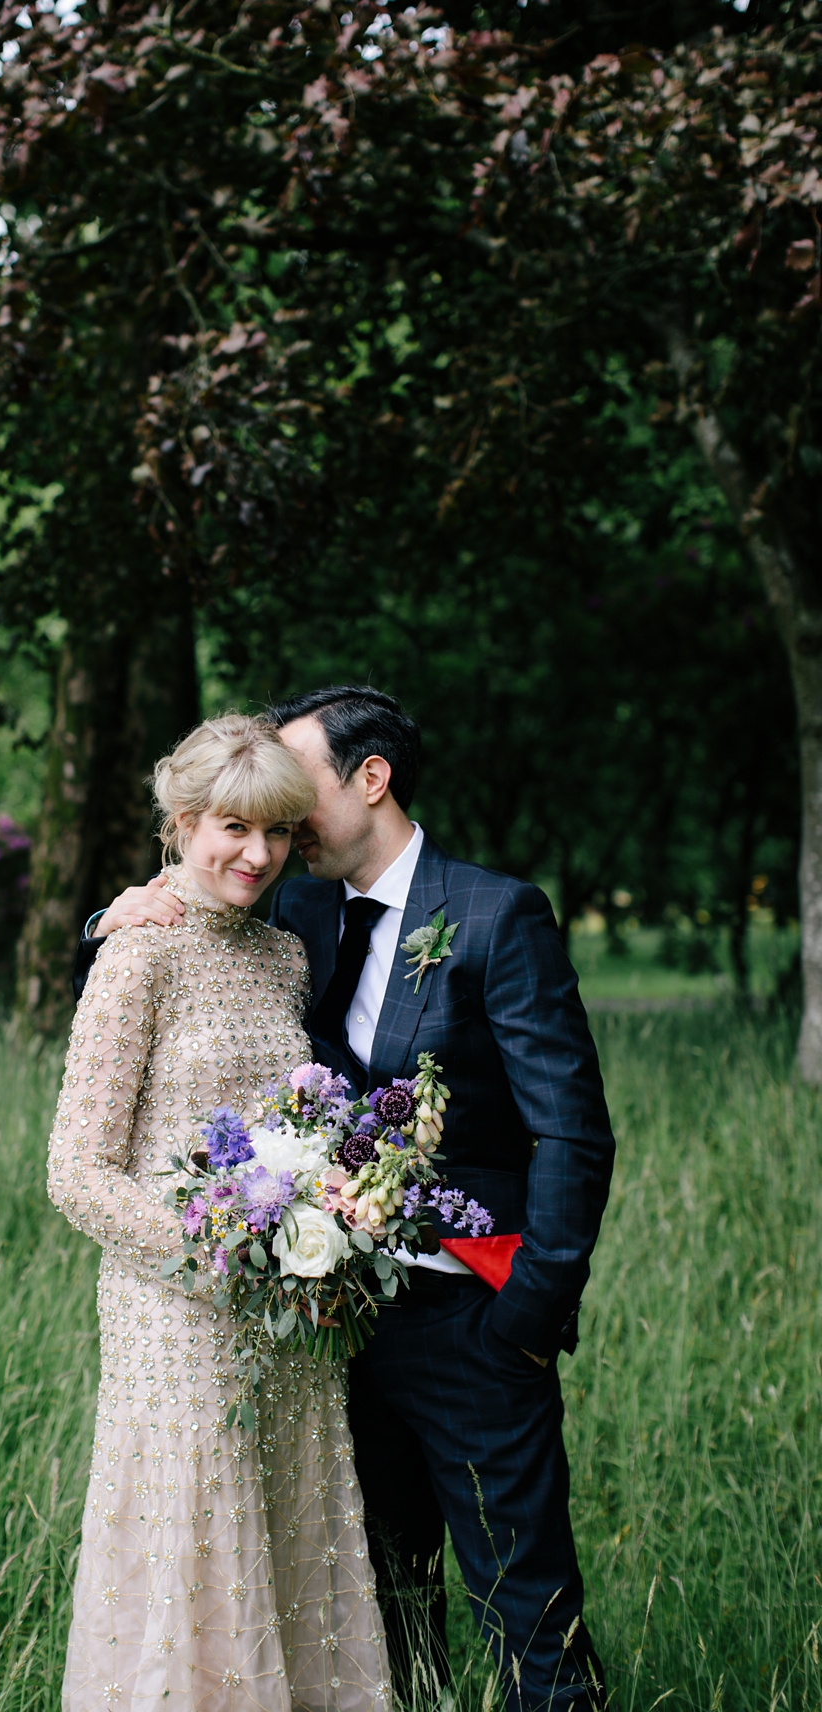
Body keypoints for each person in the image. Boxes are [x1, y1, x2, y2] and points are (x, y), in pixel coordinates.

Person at [75, 686, 615, 1711]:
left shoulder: (497, 916)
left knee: (527, 1609)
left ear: (370, 780)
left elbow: (572, 1134)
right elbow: (157, 967)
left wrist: (529, 1323)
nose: (273, 827)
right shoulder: (293, 910)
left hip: (473, 1323)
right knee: (371, 1611)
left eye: (295, 795)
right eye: (256, 812)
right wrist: (112, 913)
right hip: (323, 1332)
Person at [48, 713, 391, 1712]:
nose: (258, 854)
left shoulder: (285, 956)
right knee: (196, 1549)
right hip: (179, 1317)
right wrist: (223, 1253)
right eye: (233, 830)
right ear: (186, 823)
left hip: (293, 1316)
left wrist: (315, 1226)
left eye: (278, 832)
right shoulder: (139, 952)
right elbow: (76, 1170)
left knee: (288, 1547)